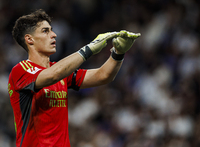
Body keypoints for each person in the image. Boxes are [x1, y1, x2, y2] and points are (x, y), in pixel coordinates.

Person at [7, 9, 140, 147]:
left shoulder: (60, 71)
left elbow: (103, 76)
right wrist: (88, 49)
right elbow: (53, 75)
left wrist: (118, 53)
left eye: (52, 30)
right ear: (29, 39)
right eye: (45, 31)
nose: (54, 35)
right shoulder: (21, 71)